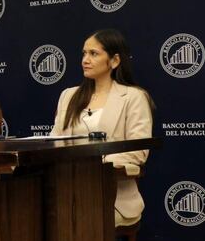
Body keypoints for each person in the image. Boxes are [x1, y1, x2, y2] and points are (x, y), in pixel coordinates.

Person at [50, 28, 154, 227]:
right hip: (68, 190)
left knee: (79, 220)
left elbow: (138, 151)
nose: (85, 60)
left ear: (114, 61)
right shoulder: (68, 95)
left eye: (93, 54)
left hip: (113, 196)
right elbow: (55, 141)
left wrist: (91, 164)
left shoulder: (134, 97)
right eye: (84, 53)